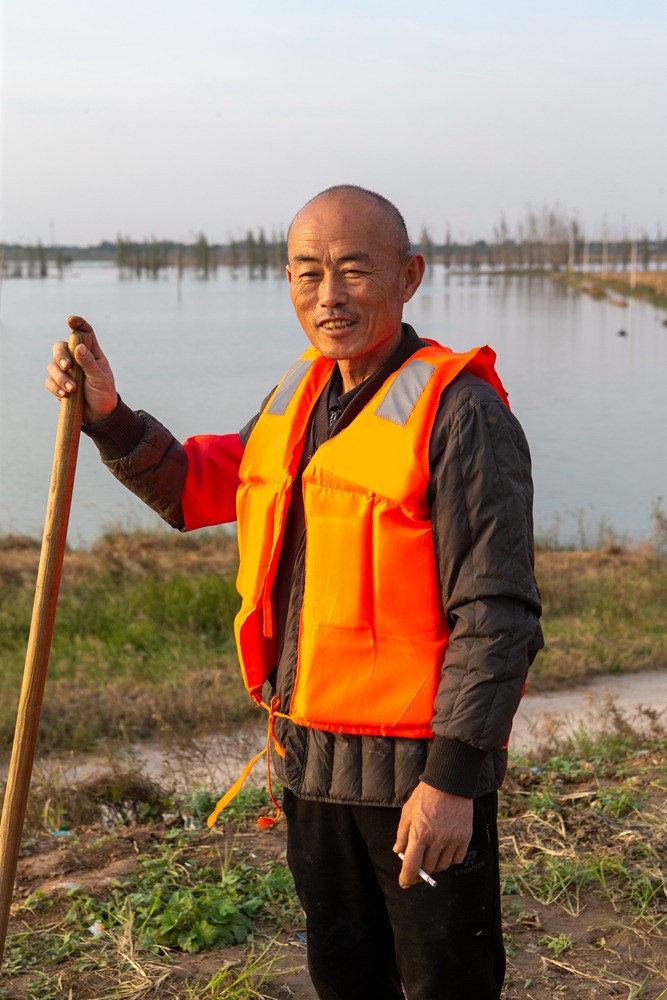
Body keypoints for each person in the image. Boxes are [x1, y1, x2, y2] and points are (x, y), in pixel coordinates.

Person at [46, 185, 543, 1000]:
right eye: (308, 273)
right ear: (287, 281)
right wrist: (108, 416)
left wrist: (452, 782)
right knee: (343, 979)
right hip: (310, 766)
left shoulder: (461, 412)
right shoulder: (298, 395)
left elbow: (496, 614)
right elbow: (195, 486)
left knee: (444, 985)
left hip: (418, 777)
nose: (329, 295)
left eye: (354, 270)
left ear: (409, 276)